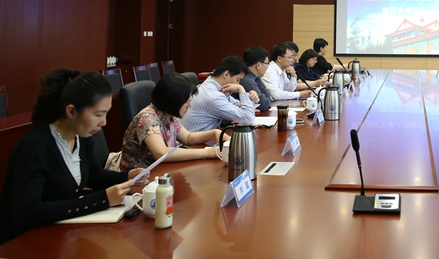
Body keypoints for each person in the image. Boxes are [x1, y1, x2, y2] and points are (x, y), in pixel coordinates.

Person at [0, 69, 147, 244]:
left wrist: (128, 177)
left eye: (106, 113)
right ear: (71, 111)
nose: (104, 122)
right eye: (98, 114)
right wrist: (102, 200)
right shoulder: (36, 147)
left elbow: (95, 177)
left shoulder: (81, 138)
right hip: (25, 240)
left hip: (59, 232)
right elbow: (28, 211)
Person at [120, 73, 223, 170]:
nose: (189, 105)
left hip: (162, 169)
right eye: (186, 102)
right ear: (173, 101)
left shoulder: (169, 114)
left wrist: (215, 133)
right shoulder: (148, 118)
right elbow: (160, 153)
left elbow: (188, 137)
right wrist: (206, 153)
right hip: (141, 175)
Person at [181, 56, 257, 132]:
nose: (238, 84)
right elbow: (248, 119)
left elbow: (239, 106)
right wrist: (241, 89)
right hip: (193, 139)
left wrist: (250, 97)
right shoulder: (214, 96)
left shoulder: (213, 87)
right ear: (226, 74)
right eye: (238, 80)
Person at [240, 45, 272, 112]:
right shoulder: (247, 79)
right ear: (258, 65)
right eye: (267, 63)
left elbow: (269, 97)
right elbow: (263, 105)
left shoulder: (256, 77)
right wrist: (267, 99)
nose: (268, 66)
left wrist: (267, 99)